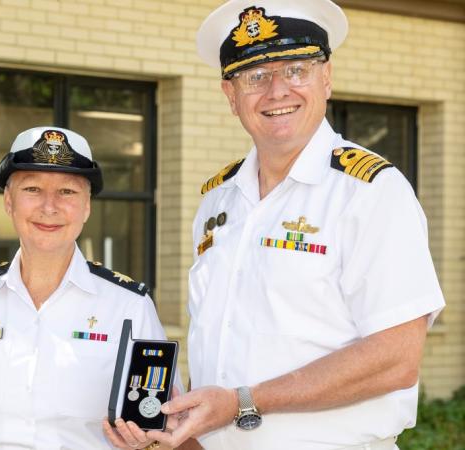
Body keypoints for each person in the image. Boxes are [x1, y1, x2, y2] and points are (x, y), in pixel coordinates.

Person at [146, 1, 446, 449]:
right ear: (231, 96)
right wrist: (184, 430)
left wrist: (244, 402)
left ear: (326, 79)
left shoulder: (370, 191)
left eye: (296, 70)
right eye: (256, 77)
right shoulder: (217, 200)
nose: (277, 91)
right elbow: (218, 343)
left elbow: (396, 358)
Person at [0, 126, 175, 450]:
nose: (49, 207)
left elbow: (158, 428)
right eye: (32, 189)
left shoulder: (130, 307)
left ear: (87, 206)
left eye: (67, 192)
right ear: (9, 202)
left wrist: (148, 442)